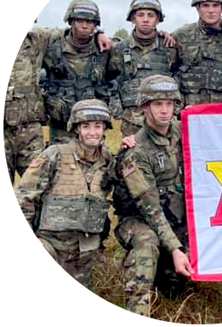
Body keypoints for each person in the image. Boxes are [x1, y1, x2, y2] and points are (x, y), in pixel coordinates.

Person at [102, 74, 192, 317]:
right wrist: (175, 248)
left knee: (174, 287)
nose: (164, 111)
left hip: (176, 216)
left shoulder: (183, 130)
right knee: (147, 244)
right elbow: (150, 208)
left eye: (169, 104)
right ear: (145, 107)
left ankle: (166, 270)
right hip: (141, 220)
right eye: (157, 104)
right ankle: (137, 311)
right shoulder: (135, 152)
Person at [16, 99, 114, 288]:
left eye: (97, 126)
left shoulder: (109, 160)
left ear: (105, 129)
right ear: (76, 129)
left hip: (85, 250)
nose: (92, 132)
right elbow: (24, 195)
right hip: (51, 245)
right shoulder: (55, 154)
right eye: (86, 126)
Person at [38, 0, 119, 143]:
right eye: (80, 21)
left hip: (92, 127)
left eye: (89, 22)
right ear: (71, 21)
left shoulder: (104, 50)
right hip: (61, 126)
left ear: (95, 25)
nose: (84, 25)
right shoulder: (51, 49)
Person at [110, 0, 178, 136]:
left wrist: (175, 111)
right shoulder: (119, 49)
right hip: (132, 122)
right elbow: (110, 82)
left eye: (151, 15)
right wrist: (118, 111)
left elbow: (179, 79)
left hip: (164, 121)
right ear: (133, 18)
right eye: (140, 15)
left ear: (158, 19)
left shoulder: (169, 47)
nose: (145, 19)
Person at [4, 29, 47, 184]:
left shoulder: (37, 39)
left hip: (28, 128)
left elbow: (71, 36)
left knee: (38, 183)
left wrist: (98, 34)